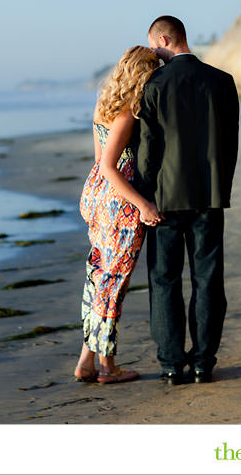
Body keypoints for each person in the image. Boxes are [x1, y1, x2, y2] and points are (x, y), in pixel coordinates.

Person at [136, 15, 240, 385]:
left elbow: (148, 148)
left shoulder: (154, 85)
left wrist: (144, 196)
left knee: (164, 279)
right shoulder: (222, 82)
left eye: (153, 45)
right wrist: (220, 186)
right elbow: (230, 144)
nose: (153, 52)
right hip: (209, 195)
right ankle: (203, 362)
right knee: (208, 279)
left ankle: (169, 363)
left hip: (163, 197)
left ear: (164, 39)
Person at [75, 45, 164, 384]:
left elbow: (98, 162)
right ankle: (107, 366)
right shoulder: (127, 112)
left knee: (98, 277)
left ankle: (86, 361)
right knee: (112, 283)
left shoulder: (103, 105)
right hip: (118, 201)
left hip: (95, 193)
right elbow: (112, 168)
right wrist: (144, 204)